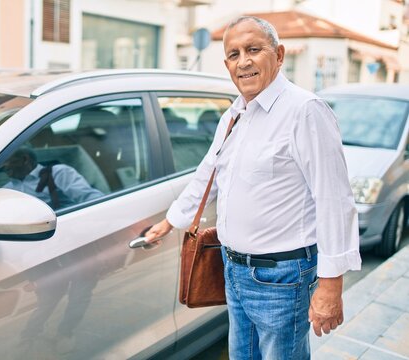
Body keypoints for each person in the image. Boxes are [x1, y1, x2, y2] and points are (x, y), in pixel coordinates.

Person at [145, 16, 361, 359]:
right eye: (233, 54)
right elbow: (209, 174)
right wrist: (171, 220)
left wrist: (331, 286)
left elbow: (334, 200)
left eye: (253, 49)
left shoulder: (305, 111)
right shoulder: (234, 114)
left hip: (282, 279)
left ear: (279, 55)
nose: (243, 61)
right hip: (233, 270)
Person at [2, 147, 104, 209]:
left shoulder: (58, 173)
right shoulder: (6, 190)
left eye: (5, 160)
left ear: (25, 159)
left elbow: (90, 198)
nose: (3, 166)